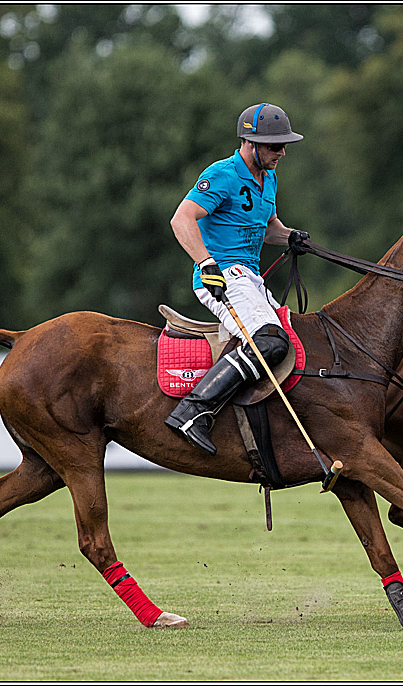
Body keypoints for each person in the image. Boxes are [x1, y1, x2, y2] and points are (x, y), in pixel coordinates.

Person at [165, 103, 307, 455]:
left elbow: (268, 226)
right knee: (269, 342)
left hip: (251, 276)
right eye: (275, 145)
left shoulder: (269, 177)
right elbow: (181, 219)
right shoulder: (222, 174)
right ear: (250, 142)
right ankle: (192, 411)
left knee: (295, 340)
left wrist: (288, 236)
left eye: (283, 145)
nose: (282, 152)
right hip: (221, 275)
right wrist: (206, 263)